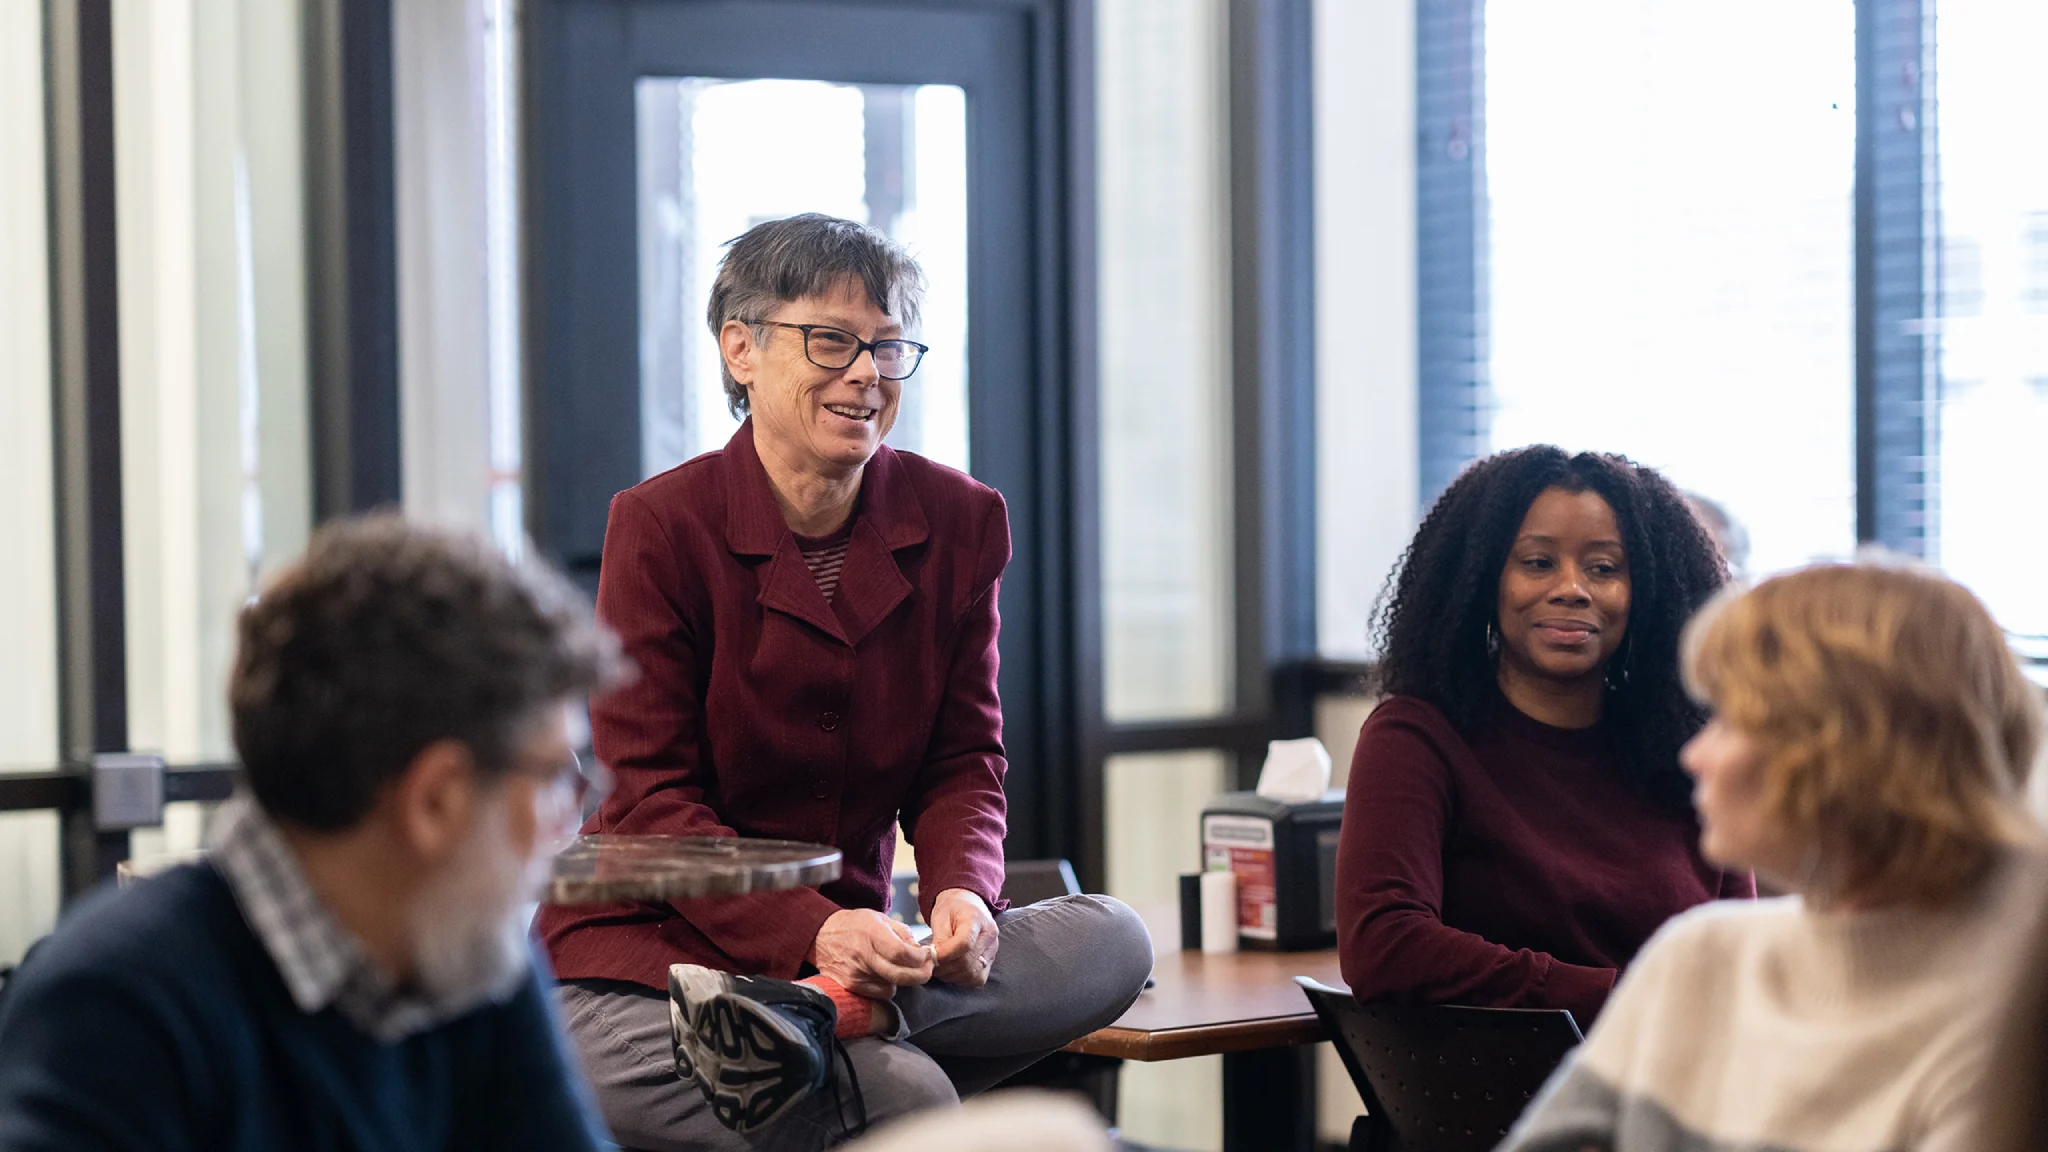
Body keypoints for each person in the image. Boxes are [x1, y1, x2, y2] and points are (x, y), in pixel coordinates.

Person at [535, 213, 1152, 1150]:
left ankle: (818, 1017)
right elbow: (651, 805)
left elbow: (963, 760)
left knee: (1113, 941)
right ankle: (823, 1024)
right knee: (908, 1097)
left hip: (854, 960)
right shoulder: (661, 527)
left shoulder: (959, 519)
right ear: (740, 349)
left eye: (889, 346)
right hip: (643, 959)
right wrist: (812, 930)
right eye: (832, 341)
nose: (867, 372)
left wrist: (963, 895)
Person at [0, 516, 622, 1150]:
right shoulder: (118, 1007)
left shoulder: (470, 964)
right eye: (552, 776)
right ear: (436, 801)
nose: (566, 819)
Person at [1501, 559, 2048, 1152]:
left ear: (1841, 751)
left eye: (1731, 722)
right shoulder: (1697, 958)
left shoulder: (2001, 1026)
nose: (1696, 756)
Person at [1336, 446, 1751, 1027]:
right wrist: (1619, 999)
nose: (1572, 589)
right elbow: (1385, 945)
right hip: (1496, 1105)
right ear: (1484, 579)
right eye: (1537, 563)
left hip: (1676, 1091)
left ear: (1647, 594)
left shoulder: (1687, 744)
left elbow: (1739, 959)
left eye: (1604, 569)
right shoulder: (1418, 735)